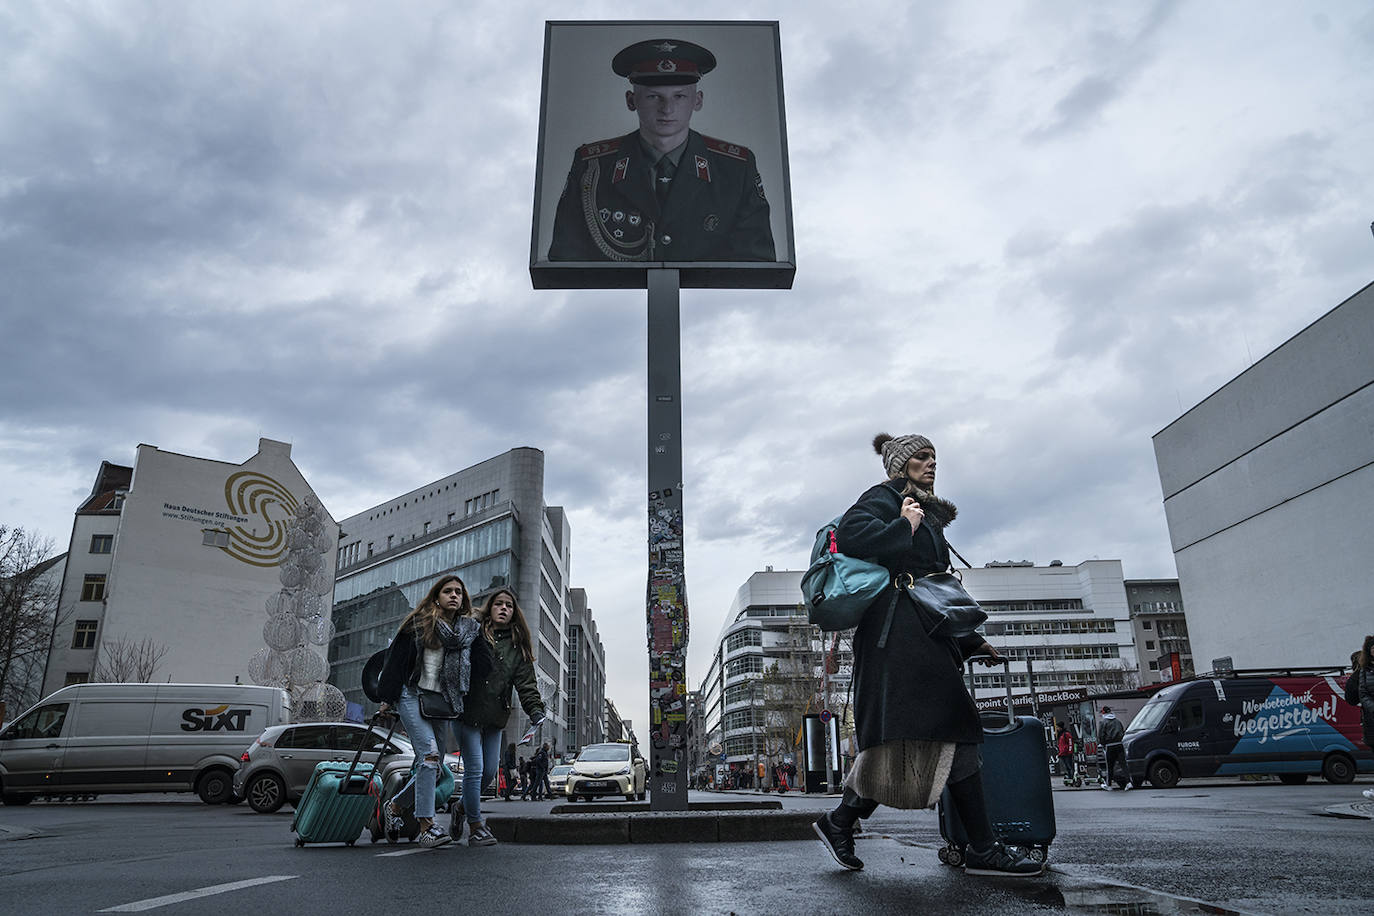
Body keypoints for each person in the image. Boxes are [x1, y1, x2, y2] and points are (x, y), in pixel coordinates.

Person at [812, 433, 1042, 877]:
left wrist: (972, 640)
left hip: (920, 635)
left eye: (934, 456)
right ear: (901, 464)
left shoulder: (925, 511)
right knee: (944, 730)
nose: (931, 462)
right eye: (921, 456)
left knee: (923, 739)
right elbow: (854, 536)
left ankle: (840, 822)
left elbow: (934, 586)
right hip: (897, 639)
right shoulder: (885, 497)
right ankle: (981, 847)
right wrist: (905, 526)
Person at [547, 38, 776, 262]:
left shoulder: (735, 169)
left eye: (679, 96)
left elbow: (756, 266)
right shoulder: (592, 167)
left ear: (697, 101)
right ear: (631, 101)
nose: (667, 109)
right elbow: (565, 260)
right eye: (653, 96)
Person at [374, 574, 486, 849]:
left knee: (434, 769)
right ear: (437, 596)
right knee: (430, 756)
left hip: (442, 701)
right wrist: (387, 698)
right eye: (447, 591)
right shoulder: (419, 624)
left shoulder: (468, 631)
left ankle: (396, 807)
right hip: (411, 694)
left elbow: (482, 667)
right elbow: (395, 661)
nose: (454, 595)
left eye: (458, 592)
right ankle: (427, 826)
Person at [457, 588, 546, 846]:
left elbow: (526, 684)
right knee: (474, 770)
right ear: (490, 607)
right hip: (467, 711)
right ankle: (476, 827)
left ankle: (460, 808)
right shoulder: (472, 632)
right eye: (499, 604)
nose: (504, 608)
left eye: (508, 605)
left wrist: (535, 710)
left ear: (514, 612)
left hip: (495, 716)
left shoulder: (518, 647)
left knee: (488, 773)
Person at [1098, 707, 1129, 790]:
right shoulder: (1117, 721)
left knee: (1110, 766)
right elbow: (1122, 731)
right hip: (1119, 744)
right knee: (1123, 765)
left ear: (1104, 713)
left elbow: (1101, 735)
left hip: (1110, 746)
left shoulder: (1103, 722)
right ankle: (1129, 782)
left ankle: (1108, 784)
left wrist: (1103, 744)